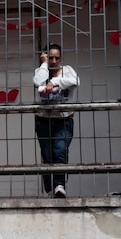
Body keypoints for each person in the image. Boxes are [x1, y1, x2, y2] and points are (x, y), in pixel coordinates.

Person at [32, 43, 80, 198]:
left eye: (56, 58)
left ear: (61, 58)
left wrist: (55, 82)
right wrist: (44, 65)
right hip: (43, 119)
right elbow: (37, 82)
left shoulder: (67, 70)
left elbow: (76, 81)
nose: (53, 61)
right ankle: (50, 188)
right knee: (47, 155)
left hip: (63, 120)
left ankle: (59, 186)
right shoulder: (41, 71)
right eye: (50, 57)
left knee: (60, 151)